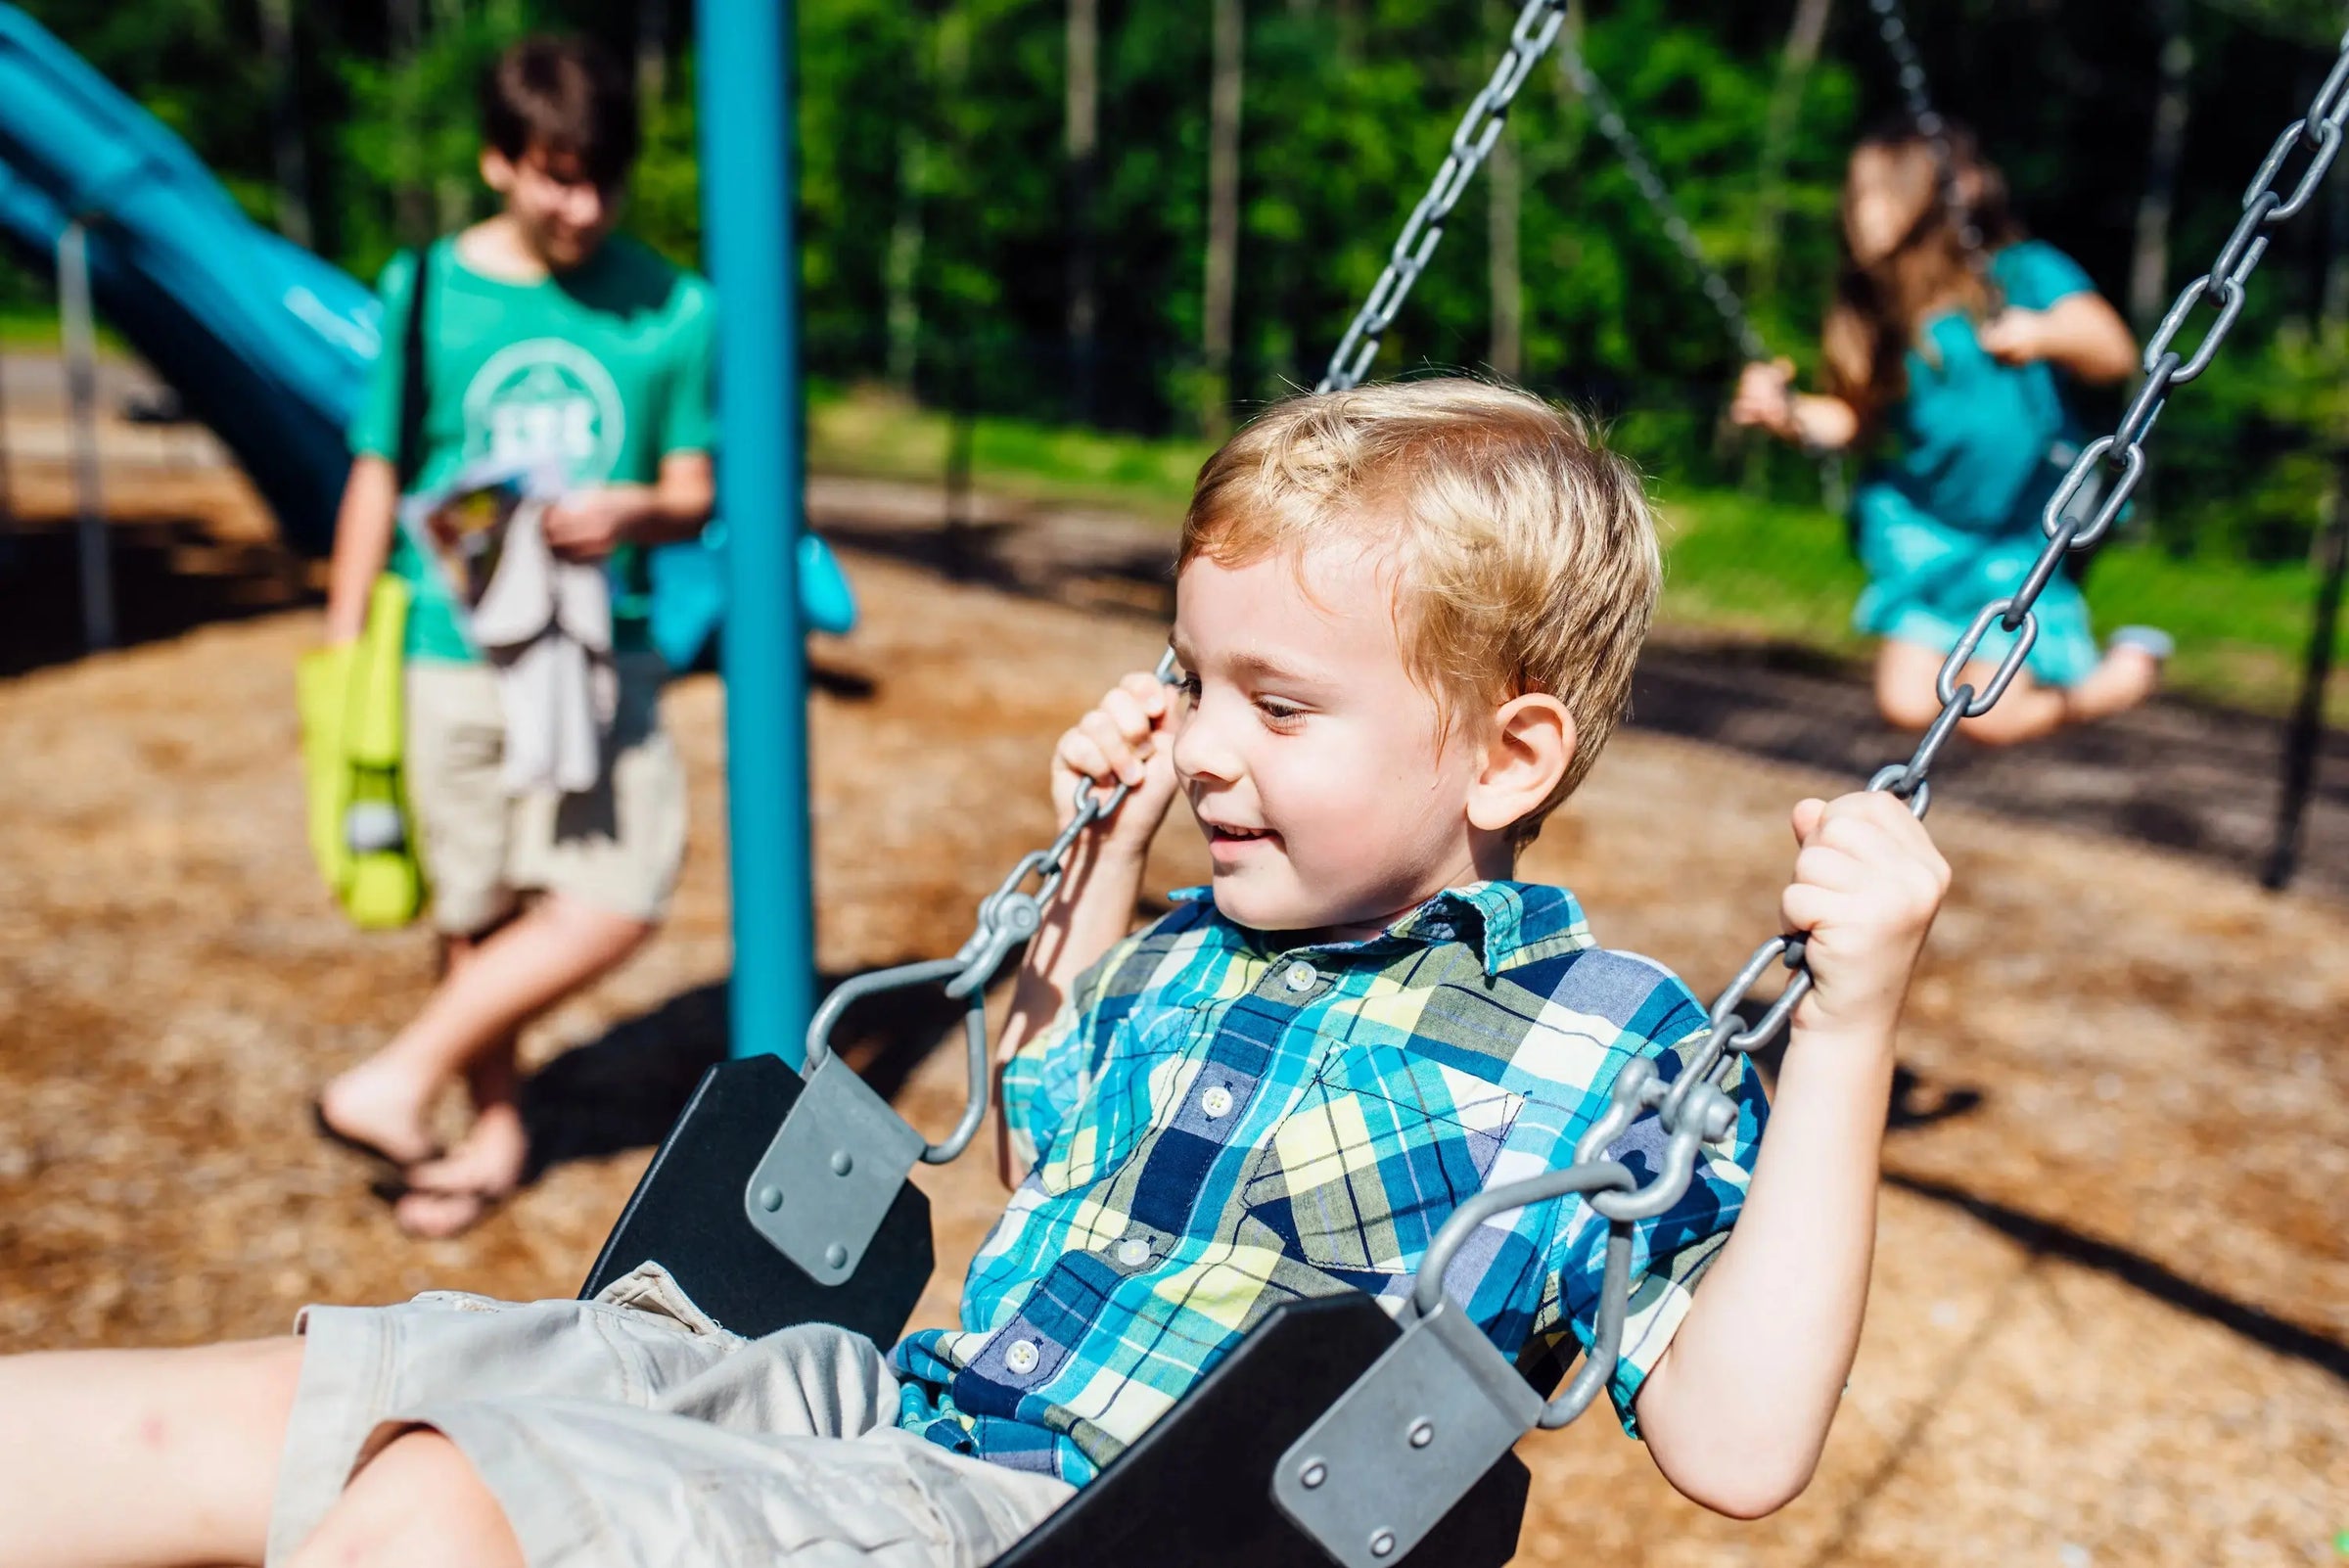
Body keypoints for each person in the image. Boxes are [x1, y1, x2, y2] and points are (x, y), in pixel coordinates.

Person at [0, 380, 1950, 1568]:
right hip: (891, 1413)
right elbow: (1039, 1177)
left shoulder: (1609, 1054)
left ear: (1509, 758)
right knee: (289, 1406)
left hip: (1076, 1536)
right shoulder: (1200, 939)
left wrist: (1847, 1027)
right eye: (1199, 683)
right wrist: (1094, 871)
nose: (1204, 747)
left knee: (439, 1507)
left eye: (1279, 703)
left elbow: (1739, 1447)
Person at [311, 35, 717, 1237]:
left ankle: (392, 1077)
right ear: (498, 162)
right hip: (446, 647)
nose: (581, 206)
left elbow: (694, 487)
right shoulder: (426, 287)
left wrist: (632, 508)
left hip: (602, 651)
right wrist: (345, 653)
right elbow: (379, 471)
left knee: (621, 891)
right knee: (476, 905)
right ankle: (490, 1138)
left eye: (601, 178)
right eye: (553, 175)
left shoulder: (676, 309)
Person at [1730, 122, 2164, 747]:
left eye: (1879, 194)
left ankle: (2119, 680)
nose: (1859, 212)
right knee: (1906, 702)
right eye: (1854, 197)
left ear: (1934, 202)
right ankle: (2096, 679)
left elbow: (2113, 350)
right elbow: (1857, 419)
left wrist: (2042, 334)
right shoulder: (1878, 313)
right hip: (1930, 534)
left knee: (1992, 719)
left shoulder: (2020, 275)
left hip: (2022, 533)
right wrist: (1791, 414)